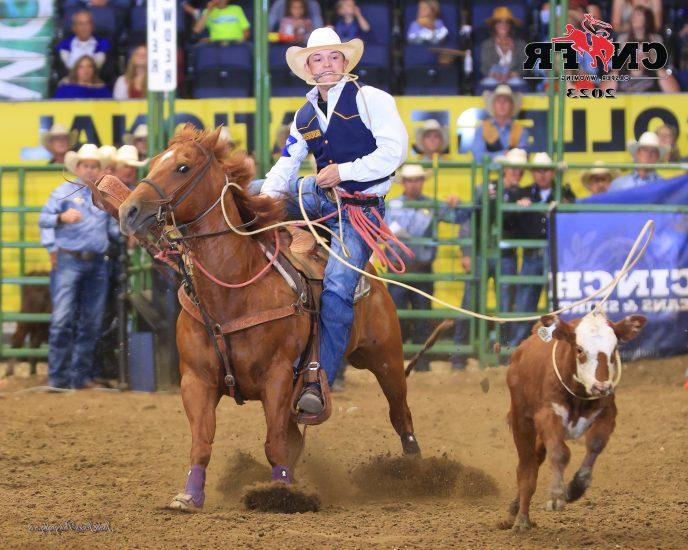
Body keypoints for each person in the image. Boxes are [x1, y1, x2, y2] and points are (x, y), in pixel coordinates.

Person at [256, 27, 407, 414]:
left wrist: (344, 171)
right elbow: (286, 165)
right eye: (318, 59)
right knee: (254, 192)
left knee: (339, 287)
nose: (326, 65)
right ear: (308, 67)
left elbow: (394, 152)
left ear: (345, 62)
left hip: (361, 210)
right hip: (319, 198)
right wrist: (263, 203)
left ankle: (317, 377)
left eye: (333, 57)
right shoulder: (305, 113)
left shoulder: (372, 100)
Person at [38, 144, 120, 389]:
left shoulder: (103, 198)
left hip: (96, 263)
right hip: (69, 260)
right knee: (63, 319)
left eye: (94, 166)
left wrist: (127, 231)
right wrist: (60, 218)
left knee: (91, 322)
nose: (90, 170)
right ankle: (59, 378)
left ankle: (79, 377)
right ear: (78, 167)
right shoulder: (61, 192)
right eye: (86, 165)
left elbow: (113, 231)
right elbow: (43, 219)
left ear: (98, 169)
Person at [385, 164, 466, 371]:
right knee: (396, 317)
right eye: (410, 180)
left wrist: (457, 204)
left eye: (417, 180)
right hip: (398, 270)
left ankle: (421, 362)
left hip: (419, 269)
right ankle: (396, 360)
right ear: (404, 183)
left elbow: (459, 217)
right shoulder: (392, 205)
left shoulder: (427, 205)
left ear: (422, 182)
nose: (413, 184)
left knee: (421, 317)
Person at [452, 147, 526, 369]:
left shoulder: (521, 194)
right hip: (480, 253)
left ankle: (503, 354)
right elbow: (466, 220)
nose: (515, 172)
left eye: (519, 169)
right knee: (470, 302)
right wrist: (466, 253)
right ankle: (459, 355)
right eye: (512, 167)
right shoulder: (485, 189)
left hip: (505, 255)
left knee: (505, 306)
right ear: (504, 168)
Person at [510, 152, 576, 346]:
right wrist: (518, 209)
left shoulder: (564, 194)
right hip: (533, 255)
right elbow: (512, 225)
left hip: (555, 256)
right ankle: (518, 347)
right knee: (525, 303)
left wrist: (565, 207)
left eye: (546, 170)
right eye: (538, 171)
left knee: (554, 303)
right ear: (532, 173)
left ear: (552, 173)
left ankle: (555, 346)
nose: (542, 174)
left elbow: (574, 218)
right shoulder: (522, 194)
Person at [472, 84, 530, 164]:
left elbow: (524, 155)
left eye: (506, 101)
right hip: (488, 175)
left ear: (512, 106)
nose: (502, 104)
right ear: (493, 105)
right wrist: (504, 155)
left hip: (513, 175)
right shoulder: (481, 128)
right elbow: (478, 156)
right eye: (498, 101)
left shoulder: (521, 130)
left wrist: (495, 156)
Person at [479, 7, 527, 93]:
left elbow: (524, 66)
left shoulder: (520, 44)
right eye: (499, 22)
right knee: (488, 83)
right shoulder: (486, 45)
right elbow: (484, 67)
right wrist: (496, 75)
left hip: (513, 78)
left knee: (517, 82)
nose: (503, 25)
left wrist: (512, 74)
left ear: (511, 26)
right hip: (493, 78)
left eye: (507, 22)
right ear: (494, 26)